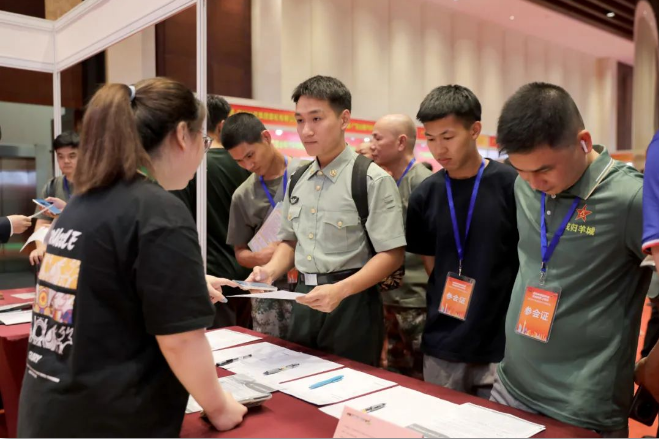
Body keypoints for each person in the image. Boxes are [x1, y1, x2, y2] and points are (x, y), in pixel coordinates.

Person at [17, 79, 247, 437]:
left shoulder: (82, 203)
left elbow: (101, 281)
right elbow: (181, 340)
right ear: (182, 135)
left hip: (51, 410)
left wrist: (187, 281)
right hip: (108, 419)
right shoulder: (157, 210)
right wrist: (220, 408)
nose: (201, 154)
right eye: (202, 141)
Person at [491, 82, 648, 437]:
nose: (533, 183)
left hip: (581, 407)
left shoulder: (630, 199)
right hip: (510, 383)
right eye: (521, 169)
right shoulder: (524, 186)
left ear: (584, 142)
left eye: (544, 170)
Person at [248, 75, 406, 366]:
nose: (306, 130)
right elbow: (290, 241)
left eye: (316, 119)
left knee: (351, 385)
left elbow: (392, 254)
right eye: (299, 120)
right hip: (303, 299)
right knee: (299, 381)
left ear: (344, 119)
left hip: (352, 302)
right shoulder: (298, 178)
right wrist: (268, 271)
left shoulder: (370, 179)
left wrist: (341, 290)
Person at [406, 85, 519, 397]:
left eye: (448, 136)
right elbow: (431, 263)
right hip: (443, 342)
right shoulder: (425, 195)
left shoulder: (511, 185)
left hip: (501, 343)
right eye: (430, 139)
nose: (439, 148)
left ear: (475, 130)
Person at [223, 112, 306, 338]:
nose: (248, 165)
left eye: (250, 155)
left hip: (310, 286)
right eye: (239, 161)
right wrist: (259, 257)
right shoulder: (242, 195)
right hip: (269, 292)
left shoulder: (308, 175)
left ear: (266, 138)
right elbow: (240, 253)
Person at [172, 95, 252, 329]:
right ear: (223, 125)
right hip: (247, 274)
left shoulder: (189, 168)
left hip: (208, 276)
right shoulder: (247, 165)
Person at [370, 114, 432, 378]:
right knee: (395, 370)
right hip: (388, 295)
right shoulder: (382, 181)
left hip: (416, 298)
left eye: (377, 138)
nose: (371, 144)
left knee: (423, 371)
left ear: (401, 142)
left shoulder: (424, 183)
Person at [29, 131, 79, 266]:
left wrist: (62, 215)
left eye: (72, 156)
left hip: (84, 255)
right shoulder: (51, 186)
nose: (66, 161)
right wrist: (41, 247)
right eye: (60, 156)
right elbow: (42, 223)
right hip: (58, 258)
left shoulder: (94, 186)